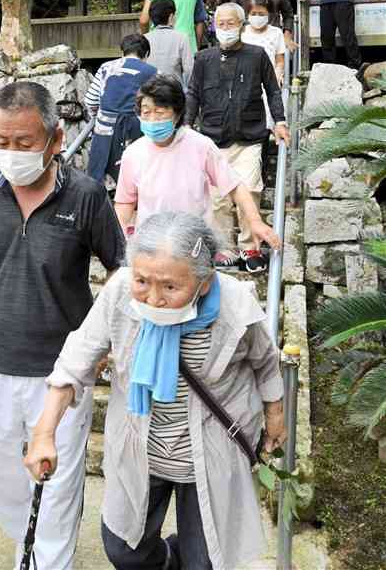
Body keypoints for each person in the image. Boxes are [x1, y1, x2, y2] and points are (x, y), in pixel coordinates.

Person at [0, 81, 125, 570]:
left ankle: (44, 561)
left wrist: (104, 340)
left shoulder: (84, 195)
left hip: (60, 374)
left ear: (56, 140)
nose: (10, 153)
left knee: (57, 486)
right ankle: (29, 546)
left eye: (23, 143)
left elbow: (120, 271)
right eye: (0, 142)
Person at [24, 211, 286, 570]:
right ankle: (166, 562)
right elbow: (76, 359)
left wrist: (275, 416)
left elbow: (266, 362)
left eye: (170, 287)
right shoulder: (119, 293)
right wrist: (44, 433)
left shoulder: (235, 305)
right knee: (123, 549)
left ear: (204, 283)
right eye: (143, 281)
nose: (152, 298)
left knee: (205, 562)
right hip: (142, 448)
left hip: (210, 455)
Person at [114, 74, 281, 266]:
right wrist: (122, 238)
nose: (152, 119)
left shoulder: (200, 146)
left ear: (177, 114)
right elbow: (124, 203)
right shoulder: (133, 153)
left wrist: (255, 221)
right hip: (151, 247)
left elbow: (235, 186)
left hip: (195, 247)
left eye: (159, 113)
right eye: (146, 112)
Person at [185, 3, 289, 273]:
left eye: (231, 23)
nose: (226, 28)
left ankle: (250, 247)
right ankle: (223, 247)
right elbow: (193, 94)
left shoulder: (257, 55)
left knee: (250, 190)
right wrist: (185, 126)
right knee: (217, 197)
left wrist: (280, 121)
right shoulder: (204, 58)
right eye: (221, 23)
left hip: (250, 137)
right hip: (213, 137)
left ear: (241, 26)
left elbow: (273, 91)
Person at [85, 33, 157, 184]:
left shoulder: (105, 67)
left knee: (97, 178)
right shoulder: (152, 72)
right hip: (135, 129)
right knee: (135, 177)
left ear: (122, 51)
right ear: (146, 54)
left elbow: (90, 100)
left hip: (104, 127)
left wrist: (97, 114)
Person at [242, 0, 286, 132]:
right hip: (245, 84)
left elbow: (279, 60)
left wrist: (277, 75)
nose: (257, 17)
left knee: (267, 122)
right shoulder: (242, 32)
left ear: (269, 14)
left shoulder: (276, 33)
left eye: (261, 14)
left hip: (268, 85)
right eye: (254, 13)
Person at [146, 0, 194, 88]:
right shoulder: (182, 38)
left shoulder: (144, 38)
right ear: (171, 16)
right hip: (173, 92)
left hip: (148, 91)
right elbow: (189, 70)